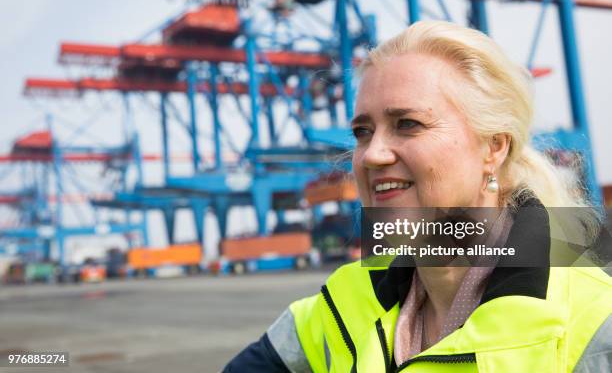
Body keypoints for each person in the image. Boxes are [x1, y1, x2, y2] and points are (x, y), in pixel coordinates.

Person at [223, 21, 612, 372]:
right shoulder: (340, 306)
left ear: (493, 147)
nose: (373, 154)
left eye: (408, 124)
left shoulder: (594, 323)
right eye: (362, 132)